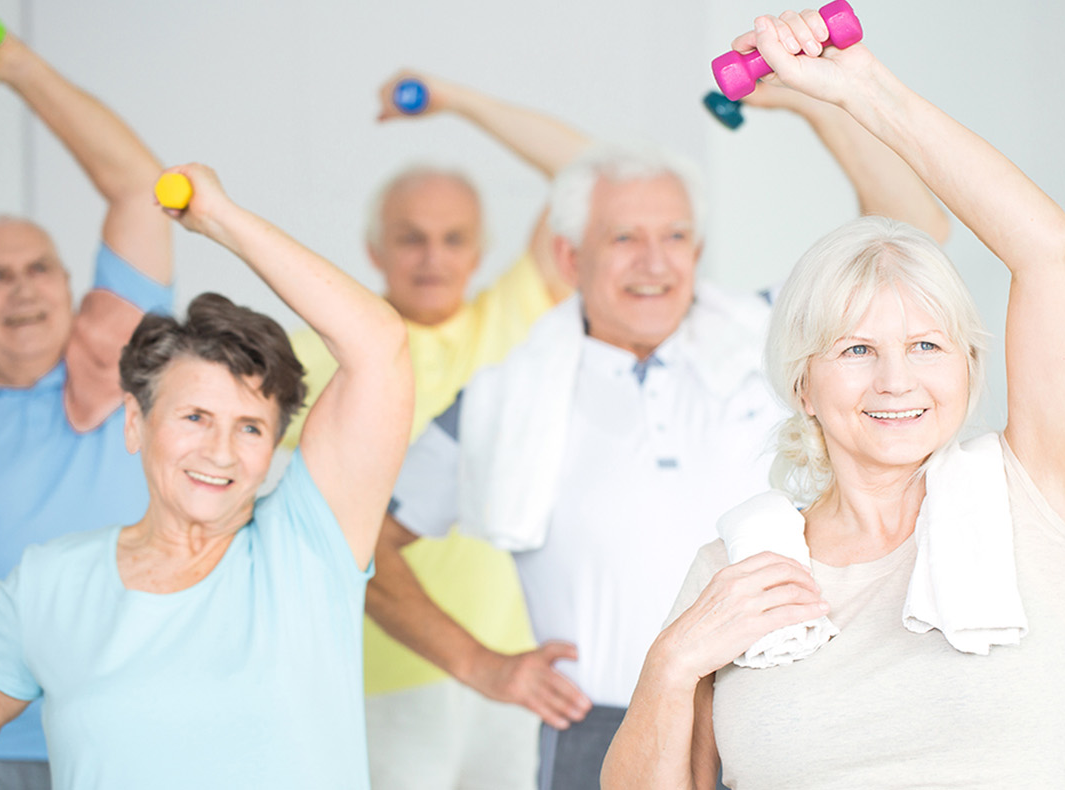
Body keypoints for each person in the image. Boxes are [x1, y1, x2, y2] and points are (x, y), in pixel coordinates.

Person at [364, 48, 952, 790]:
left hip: (778, 708)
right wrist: (483, 667)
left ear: (698, 250)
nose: (654, 261)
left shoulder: (773, 344)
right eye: (624, 238)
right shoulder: (502, 399)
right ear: (568, 255)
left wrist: (815, 105)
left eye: (675, 236)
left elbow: (916, 227)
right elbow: (365, 542)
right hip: (597, 732)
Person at [604, 9, 1065, 788]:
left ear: (968, 367)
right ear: (803, 382)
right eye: (858, 350)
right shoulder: (737, 568)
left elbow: (1047, 249)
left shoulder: (1029, 502)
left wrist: (863, 88)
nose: (896, 381)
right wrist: (669, 667)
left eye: (927, 347)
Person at [0, 163, 412, 789]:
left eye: (250, 427)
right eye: (195, 416)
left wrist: (225, 221)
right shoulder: (50, 583)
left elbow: (379, 344)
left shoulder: (309, 546)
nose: (221, 451)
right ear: (135, 424)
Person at [280, 70, 577, 790]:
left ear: (478, 251)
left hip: (518, 666)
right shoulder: (314, 352)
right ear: (374, 248)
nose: (433, 257)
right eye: (411, 239)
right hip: (376, 669)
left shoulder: (518, 319)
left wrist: (460, 100)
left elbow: (590, 175)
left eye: (453, 239)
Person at [0, 18, 173, 787]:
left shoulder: (129, 361)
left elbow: (141, 190)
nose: (22, 287)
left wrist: (18, 65)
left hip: (117, 732)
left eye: (38, 268)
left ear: (69, 284)